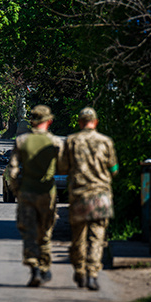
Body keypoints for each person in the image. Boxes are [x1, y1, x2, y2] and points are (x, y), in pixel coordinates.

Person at [59, 107, 118, 291]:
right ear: (96, 122)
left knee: (79, 238)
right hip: (100, 196)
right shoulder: (106, 141)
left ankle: (80, 271)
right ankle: (92, 275)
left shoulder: (71, 141)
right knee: (97, 237)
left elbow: (62, 167)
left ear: (79, 122)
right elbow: (114, 169)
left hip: (79, 196)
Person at [7, 105, 64, 287]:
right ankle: (45, 267)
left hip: (27, 193)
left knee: (29, 232)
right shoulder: (56, 142)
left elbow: (12, 171)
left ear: (31, 121)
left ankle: (34, 269)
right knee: (45, 232)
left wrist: (17, 191)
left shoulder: (22, 141)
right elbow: (64, 167)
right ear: (49, 121)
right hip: (47, 193)